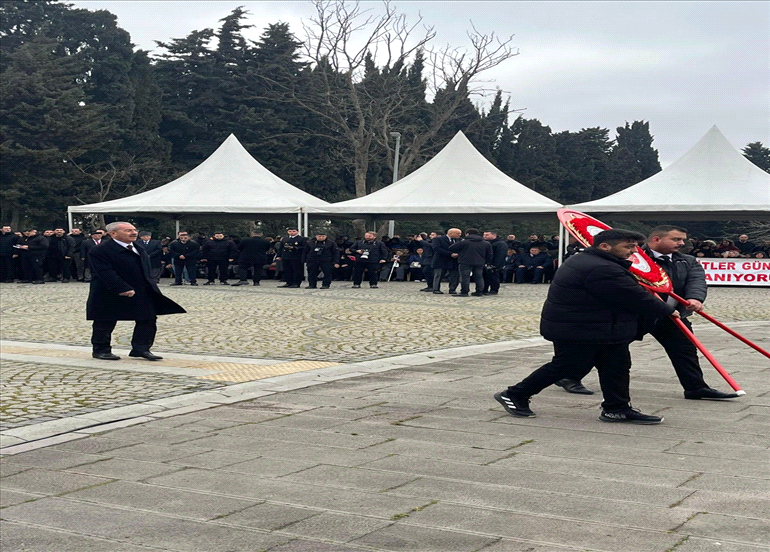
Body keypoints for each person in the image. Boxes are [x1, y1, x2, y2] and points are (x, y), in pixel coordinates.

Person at [494, 229, 678, 424]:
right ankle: (514, 394)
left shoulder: (595, 260)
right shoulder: (600, 267)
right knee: (567, 365)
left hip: (599, 326)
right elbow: (633, 296)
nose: (633, 252)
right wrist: (666, 310)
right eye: (628, 247)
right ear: (605, 246)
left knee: (616, 366)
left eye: (634, 247)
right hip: (580, 327)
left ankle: (617, 408)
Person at [556, 225, 740, 401]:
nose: (681, 244)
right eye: (676, 239)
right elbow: (622, 284)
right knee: (603, 348)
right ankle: (569, 376)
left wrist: (695, 298)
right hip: (637, 314)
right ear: (656, 239)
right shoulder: (632, 257)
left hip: (672, 315)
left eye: (682, 240)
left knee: (685, 350)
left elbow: (696, 280)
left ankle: (695, 387)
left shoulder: (687, 260)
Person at [87, 222, 186, 361]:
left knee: (148, 317)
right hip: (110, 290)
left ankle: (141, 348)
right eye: (128, 231)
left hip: (141, 289)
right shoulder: (100, 250)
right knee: (105, 320)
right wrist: (121, 288)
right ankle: (101, 349)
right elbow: (104, 272)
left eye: (134, 230)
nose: (134, 233)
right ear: (113, 233)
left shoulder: (138, 247)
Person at [449, 228, 492, 297]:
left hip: (465, 262)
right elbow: (489, 254)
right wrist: (487, 262)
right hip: (479, 262)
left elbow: (451, 248)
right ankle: (479, 291)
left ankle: (464, 292)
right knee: (479, 277)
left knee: (465, 277)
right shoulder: (486, 243)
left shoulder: (464, 242)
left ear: (467, 234)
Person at [431, 228, 462, 294]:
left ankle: (452, 289)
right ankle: (436, 289)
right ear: (450, 233)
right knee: (438, 275)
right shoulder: (438, 239)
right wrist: (450, 254)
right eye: (458, 233)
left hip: (454, 261)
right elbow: (437, 248)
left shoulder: (460, 240)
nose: (459, 235)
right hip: (441, 260)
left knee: (455, 276)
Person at [482, 231, 509, 295]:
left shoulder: (501, 244)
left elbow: (501, 255)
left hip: (495, 264)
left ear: (494, 235)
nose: (484, 236)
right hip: (485, 263)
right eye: (484, 235)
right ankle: (484, 289)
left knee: (494, 277)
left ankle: (494, 290)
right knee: (485, 277)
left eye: (487, 235)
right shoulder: (485, 243)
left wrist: (496, 265)